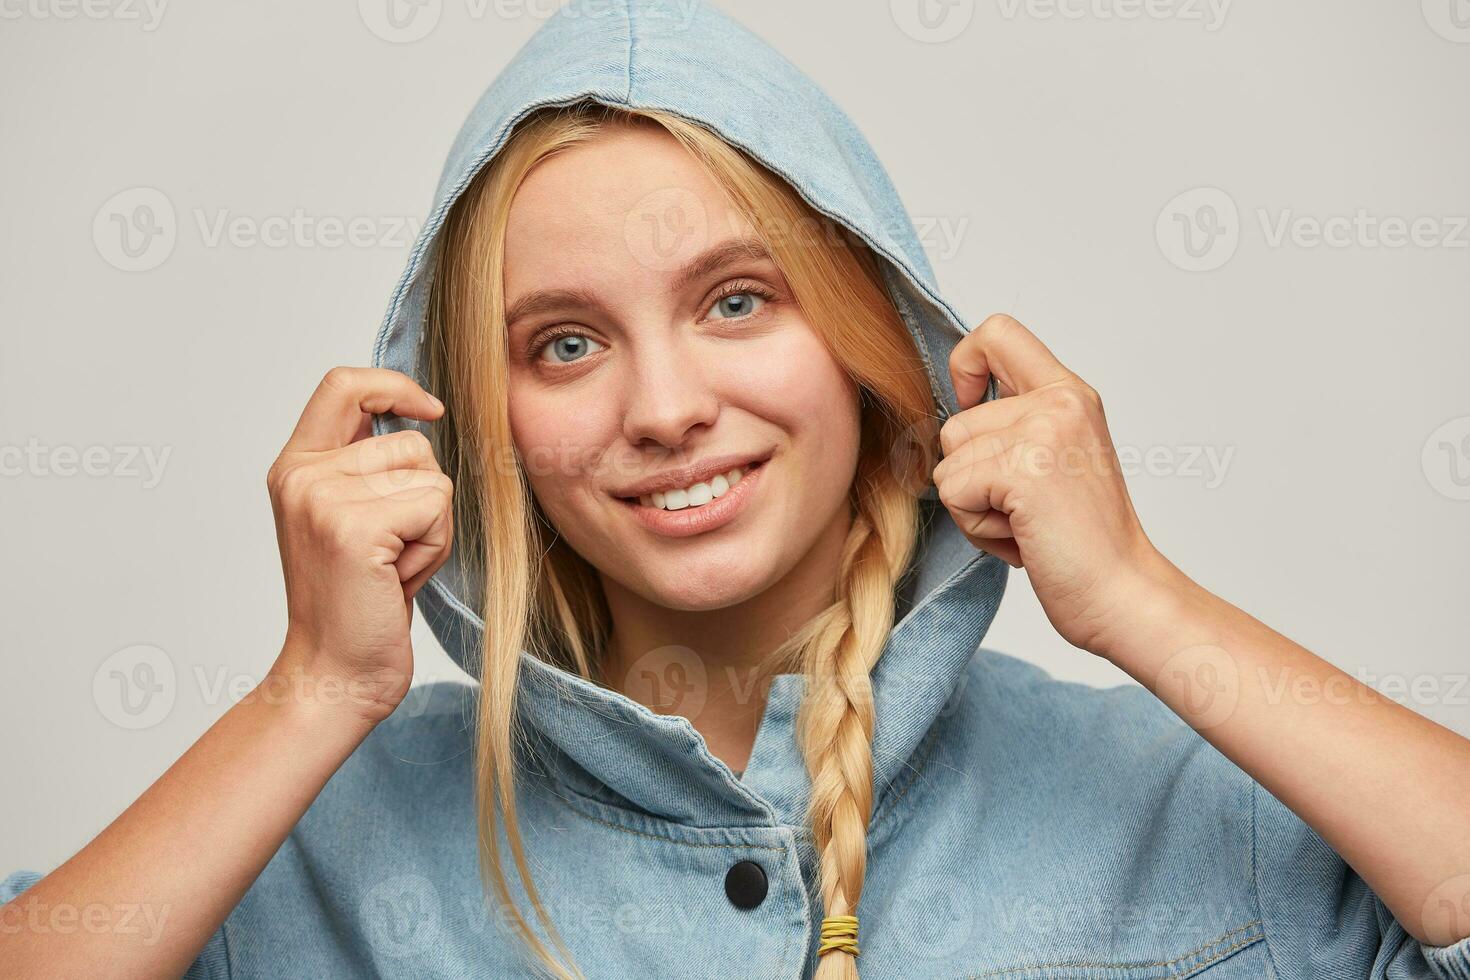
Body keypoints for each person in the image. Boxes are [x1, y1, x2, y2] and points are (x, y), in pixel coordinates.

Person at [4, 1, 1468, 977]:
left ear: (869, 344)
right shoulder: (306, 844)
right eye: (562, 344)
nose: (660, 410)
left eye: (736, 302)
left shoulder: (1182, 804)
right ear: (468, 425)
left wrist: (1144, 601)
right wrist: (310, 694)